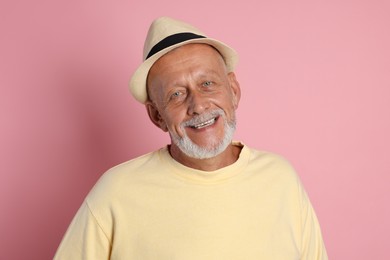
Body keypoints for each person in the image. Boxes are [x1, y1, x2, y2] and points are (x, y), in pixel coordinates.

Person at [54, 17, 328, 259]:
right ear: (157, 116)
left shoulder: (281, 179)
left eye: (207, 84)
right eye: (176, 94)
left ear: (233, 90)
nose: (198, 105)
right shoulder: (115, 193)